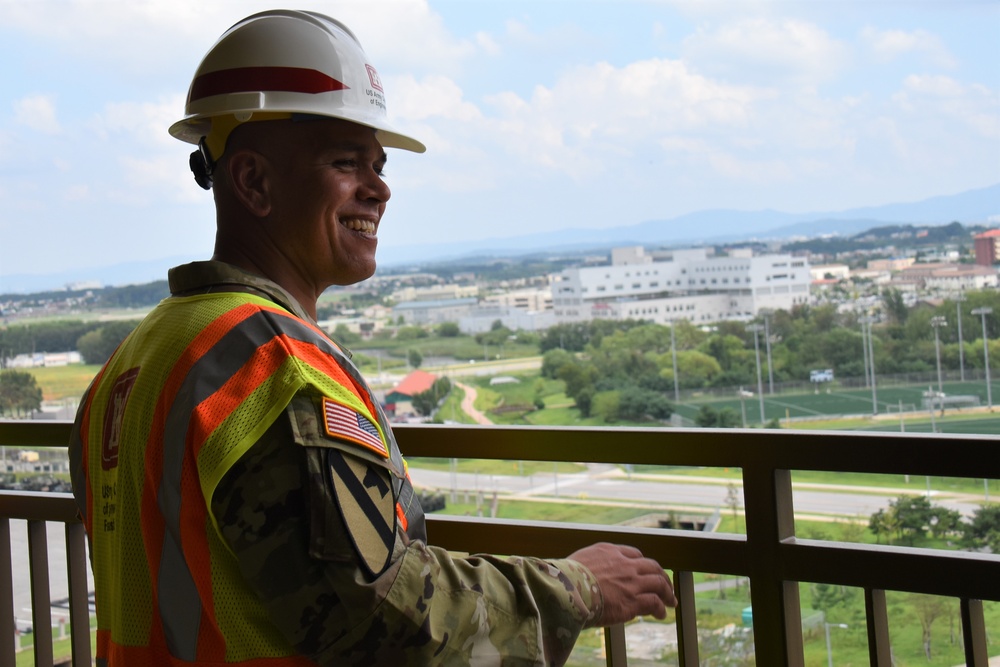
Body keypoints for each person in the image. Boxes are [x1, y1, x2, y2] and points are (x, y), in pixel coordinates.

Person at [69, 10, 675, 666]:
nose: (380, 188)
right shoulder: (269, 366)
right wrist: (575, 587)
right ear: (252, 181)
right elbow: (389, 616)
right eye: (345, 161)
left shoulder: (131, 363)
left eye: (379, 164)